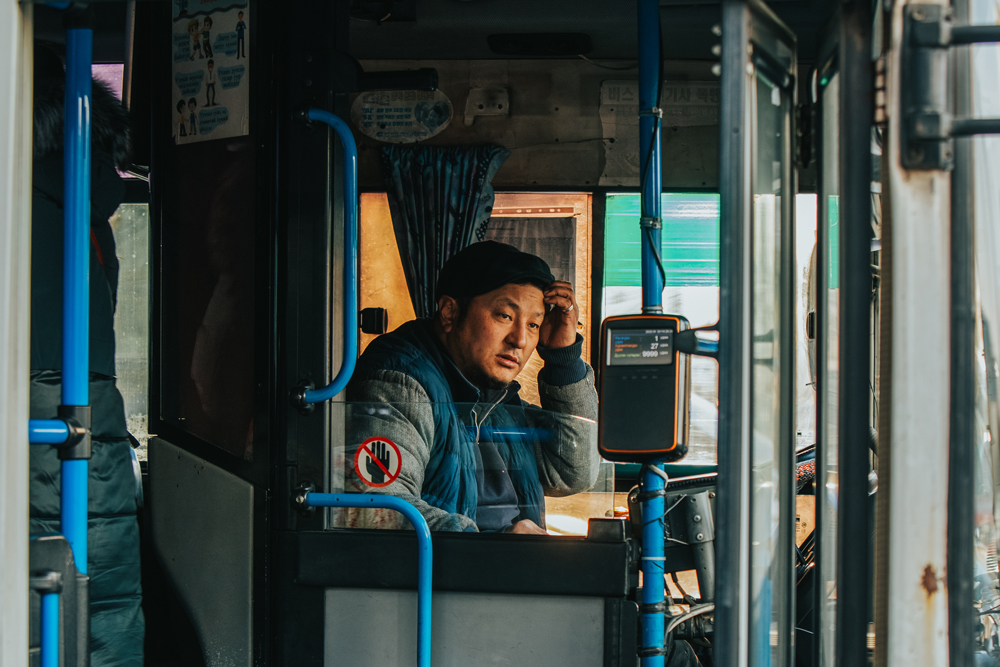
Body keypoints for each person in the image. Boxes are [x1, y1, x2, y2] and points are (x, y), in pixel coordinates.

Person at [344, 241, 599, 533]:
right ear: (450, 312)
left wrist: (563, 361)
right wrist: (494, 551)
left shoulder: (497, 399)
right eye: (505, 316)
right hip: (449, 575)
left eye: (533, 325)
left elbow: (573, 472)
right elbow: (377, 507)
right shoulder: (399, 383)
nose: (520, 340)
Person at [31, 44, 144, 665]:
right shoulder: (85, 219)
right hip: (90, 414)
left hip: (43, 410)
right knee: (97, 600)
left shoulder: (20, 204)